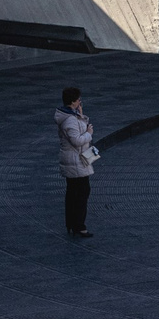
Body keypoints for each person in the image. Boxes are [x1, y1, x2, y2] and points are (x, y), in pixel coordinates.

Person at [57, 86, 96, 237]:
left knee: (74, 192)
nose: (80, 101)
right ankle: (79, 226)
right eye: (79, 99)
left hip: (77, 158)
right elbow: (77, 140)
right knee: (81, 192)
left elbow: (79, 128)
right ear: (73, 102)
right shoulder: (69, 120)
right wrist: (89, 134)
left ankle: (73, 224)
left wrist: (81, 115)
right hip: (76, 160)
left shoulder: (71, 116)